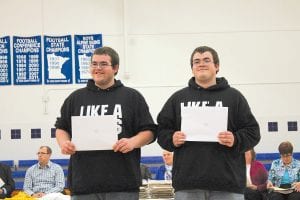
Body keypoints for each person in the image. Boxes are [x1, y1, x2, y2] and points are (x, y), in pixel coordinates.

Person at [156, 46, 260, 200]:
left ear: (217, 66)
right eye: (196, 61)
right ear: (192, 68)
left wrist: (235, 139)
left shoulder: (234, 97)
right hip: (188, 184)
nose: (201, 64)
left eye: (206, 60)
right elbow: (161, 131)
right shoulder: (178, 98)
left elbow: (253, 132)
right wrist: (172, 138)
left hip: (227, 184)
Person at [55, 46, 157, 200]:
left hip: (123, 185)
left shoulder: (132, 97)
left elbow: (150, 132)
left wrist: (133, 142)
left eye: (103, 64)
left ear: (115, 68)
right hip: (83, 185)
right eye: (94, 64)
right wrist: (64, 143)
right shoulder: (75, 98)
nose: (98, 68)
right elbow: (61, 128)